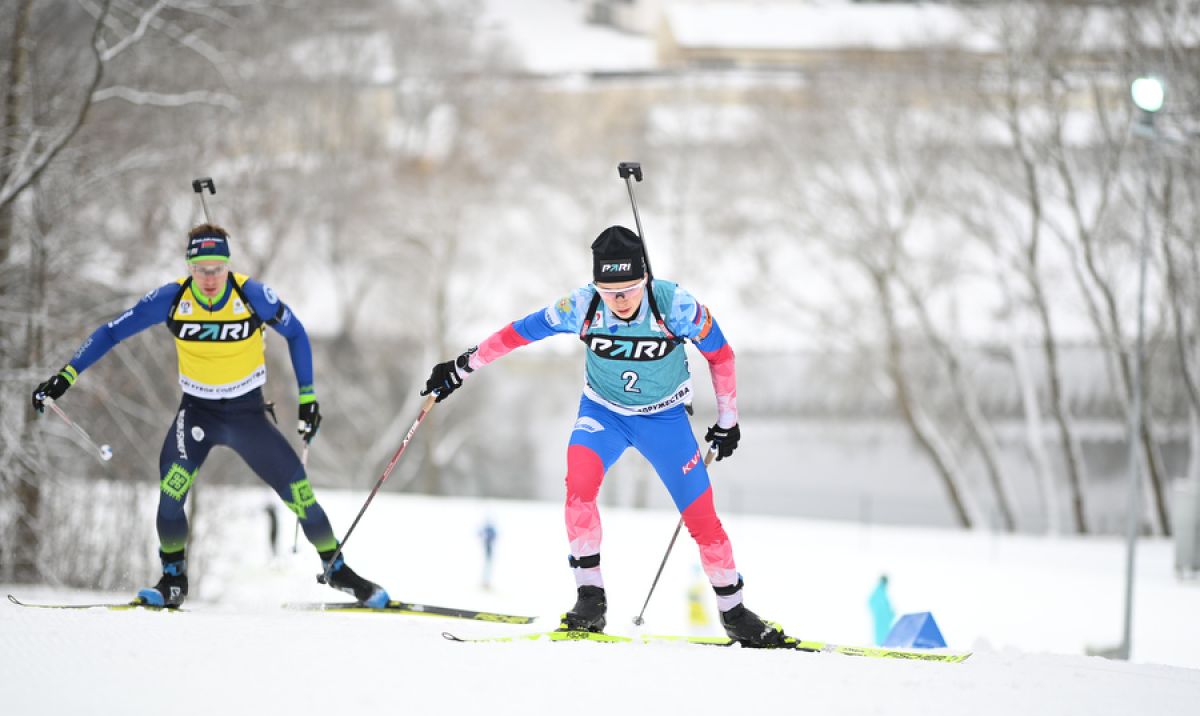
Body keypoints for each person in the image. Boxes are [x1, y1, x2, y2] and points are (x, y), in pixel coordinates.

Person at [422, 225, 792, 647]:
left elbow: (720, 354)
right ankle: (590, 600)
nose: (619, 300)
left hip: (664, 420)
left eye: (629, 290)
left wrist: (729, 420)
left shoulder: (676, 305)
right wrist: (461, 367)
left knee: (702, 519)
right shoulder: (581, 305)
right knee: (578, 487)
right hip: (603, 414)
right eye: (609, 291)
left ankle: (735, 613)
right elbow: (519, 332)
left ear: (645, 278)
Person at [31, 223, 388, 609]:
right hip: (198, 414)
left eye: (217, 268)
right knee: (171, 494)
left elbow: (297, 333)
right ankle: (173, 580)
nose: (210, 278)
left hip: (248, 416)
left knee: (301, 496)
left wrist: (308, 399)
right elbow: (110, 332)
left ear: (227, 265)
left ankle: (336, 570)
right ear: (189, 267)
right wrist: (66, 376)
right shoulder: (171, 300)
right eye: (201, 269)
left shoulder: (251, 295)